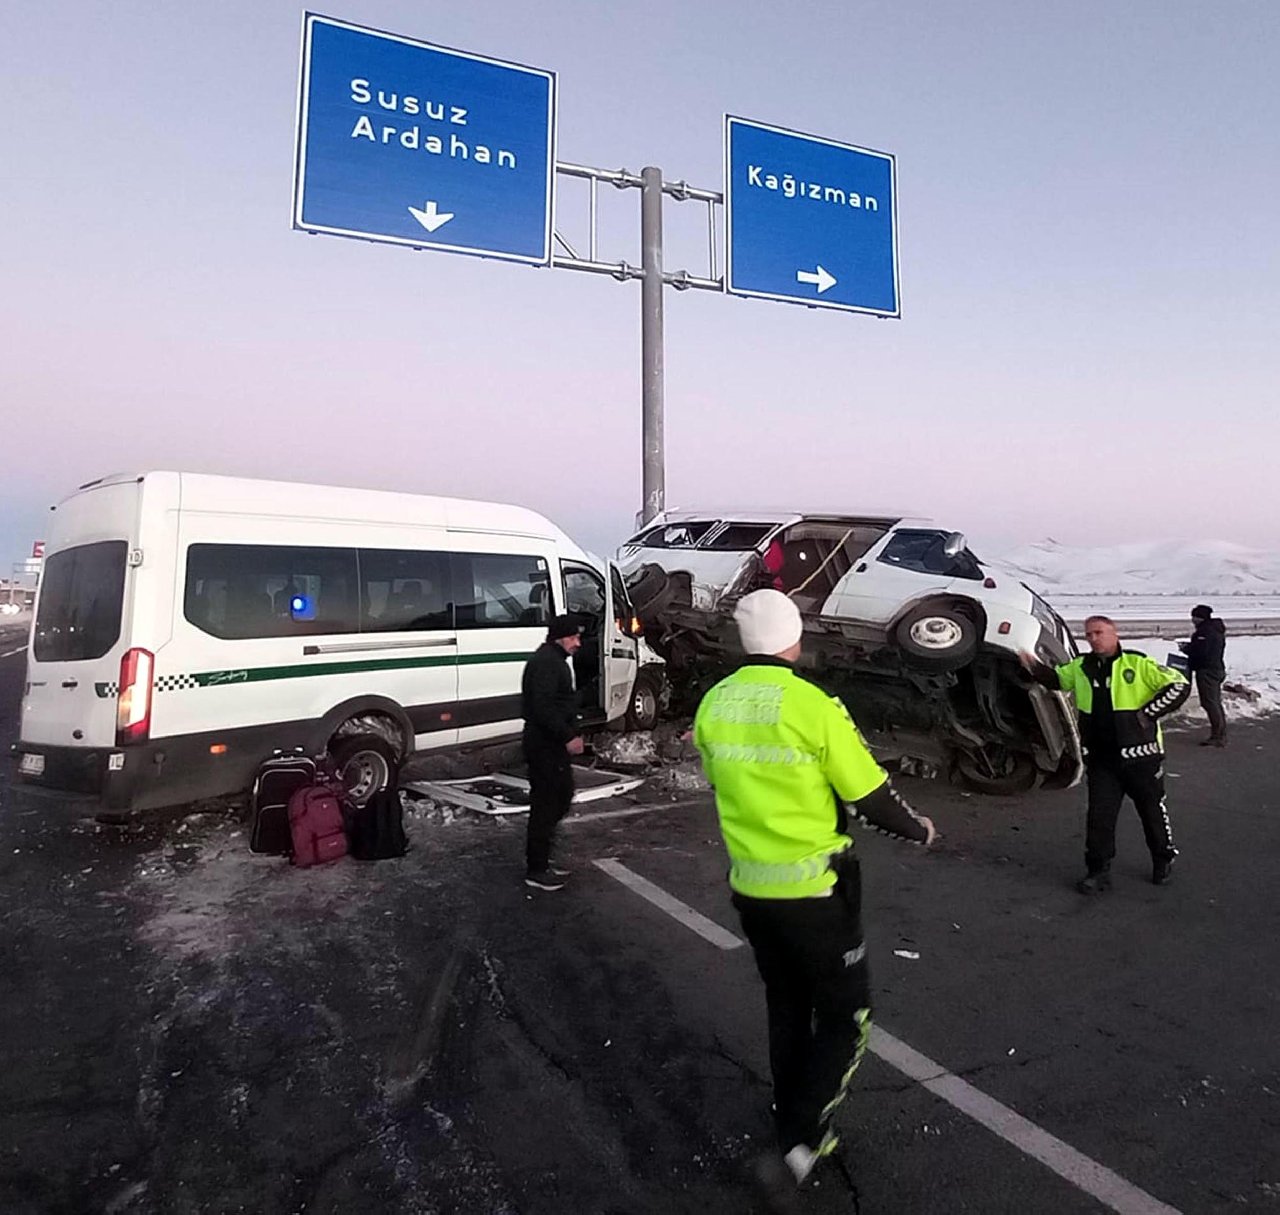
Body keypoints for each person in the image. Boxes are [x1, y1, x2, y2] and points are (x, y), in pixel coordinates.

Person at [693, 589, 935, 1208]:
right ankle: (800, 1144)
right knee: (847, 1016)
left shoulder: (714, 704)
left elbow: (721, 780)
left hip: (752, 889)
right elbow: (868, 794)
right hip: (817, 893)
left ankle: (787, 1114)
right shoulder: (813, 705)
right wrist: (919, 830)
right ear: (792, 639)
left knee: (787, 1005)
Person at [1020, 615, 1189, 893]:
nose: (1093, 638)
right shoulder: (1080, 667)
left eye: (1099, 632)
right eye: (1089, 634)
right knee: (1099, 818)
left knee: (1152, 812)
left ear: (1114, 633)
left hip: (1141, 758)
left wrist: (1147, 714)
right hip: (1102, 759)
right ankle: (1098, 871)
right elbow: (1056, 680)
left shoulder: (1137, 662)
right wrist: (1029, 662)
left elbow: (1179, 684)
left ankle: (1163, 860)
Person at [521, 614, 585, 891]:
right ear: (559, 637)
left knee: (560, 797)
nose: (578, 643)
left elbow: (559, 704)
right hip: (544, 743)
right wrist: (567, 735)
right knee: (548, 804)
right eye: (573, 637)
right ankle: (537, 869)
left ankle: (541, 860)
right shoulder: (547, 663)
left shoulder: (554, 661)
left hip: (550, 742)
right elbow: (543, 707)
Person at [1180, 604, 1227, 747]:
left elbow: (1202, 652)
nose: (1192, 620)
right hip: (1215, 669)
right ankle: (1220, 733)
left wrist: (1187, 649)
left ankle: (1218, 736)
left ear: (1199, 617)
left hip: (1207, 671)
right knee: (1214, 702)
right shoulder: (1214, 630)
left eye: (1194, 617)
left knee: (1210, 703)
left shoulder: (1206, 632)